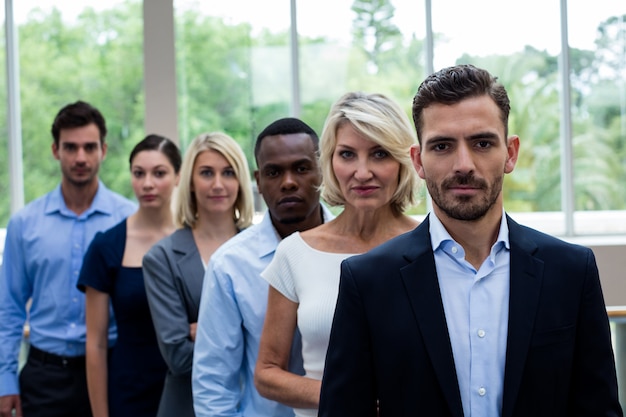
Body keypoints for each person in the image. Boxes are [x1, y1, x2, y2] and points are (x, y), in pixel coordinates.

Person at [318, 64, 623, 417]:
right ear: (418, 160)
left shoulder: (570, 271)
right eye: (443, 146)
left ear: (510, 153)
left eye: (481, 143)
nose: (464, 164)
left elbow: (598, 410)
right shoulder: (369, 280)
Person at [254, 92, 421, 417]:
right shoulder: (295, 253)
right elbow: (267, 374)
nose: (362, 172)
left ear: (403, 160)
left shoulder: (431, 246)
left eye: (379, 153)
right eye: (347, 154)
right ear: (329, 161)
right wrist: (346, 394)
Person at [0, 101, 136, 417]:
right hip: (45, 377)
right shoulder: (25, 223)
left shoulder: (127, 220)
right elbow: (9, 310)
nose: (80, 158)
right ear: (54, 150)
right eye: (70, 147)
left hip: (113, 369)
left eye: (89, 147)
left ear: (103, 150)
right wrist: (5, 380)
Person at [192, 117, 334, 417]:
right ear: (258, 181)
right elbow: (213, 385)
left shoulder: (359, 250)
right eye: (274, 172)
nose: (288, 182)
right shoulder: (230, 265)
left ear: (323, 170)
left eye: (301, 168)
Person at [142, 132, 254, 417]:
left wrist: (204, 329)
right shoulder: (162, 258)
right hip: (186, 407)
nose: (218, 184)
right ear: (190, 183)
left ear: (241, 181)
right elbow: (178, 356)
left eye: (228, 172)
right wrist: (250, 338)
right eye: (206, 173)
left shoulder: (263, 250)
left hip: (256, 405)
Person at [77, 134, 182, 417]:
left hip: (189, 386)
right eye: (139, 173)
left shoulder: (195, 239)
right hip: (129, 392)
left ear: (178, 177)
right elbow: (96, 343)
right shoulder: (107, 245)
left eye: (159, 173)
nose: (147, 183)